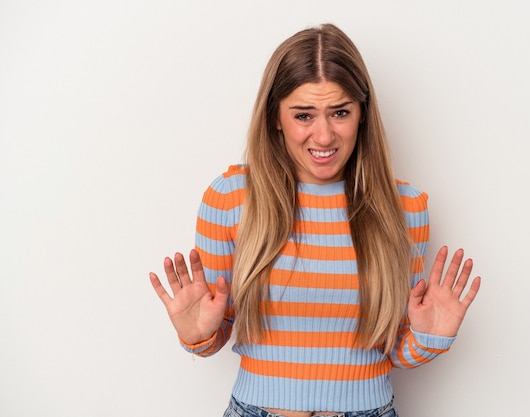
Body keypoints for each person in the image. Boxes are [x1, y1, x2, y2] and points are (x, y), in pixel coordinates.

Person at [149, 23, 481, 417]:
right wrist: (197, 335)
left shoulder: (405, 209)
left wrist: (428, 337)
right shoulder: (231, 199)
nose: (323, 136)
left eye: (340, 112)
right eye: (303, 115)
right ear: (275, 117)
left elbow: (396, 350)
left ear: (362, 115)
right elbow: (214, 330)